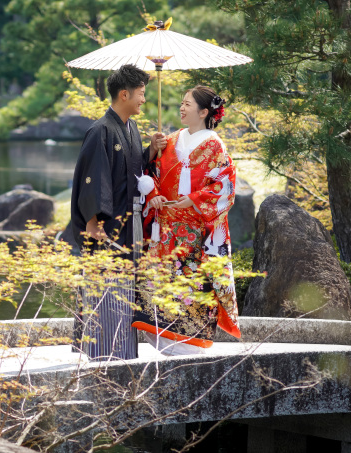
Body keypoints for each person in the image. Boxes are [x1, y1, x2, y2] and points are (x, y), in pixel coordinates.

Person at [132, 85, 241, 356]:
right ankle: (163, 341)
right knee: (158, 284)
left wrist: (193, 199)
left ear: (204, 112)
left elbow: (224, 185)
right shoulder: (169, 140)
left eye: (188, 105)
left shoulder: (215, 145)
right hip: (165, 230)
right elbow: (150, 173)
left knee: (190, 286)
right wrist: (154, 193)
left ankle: (187, 346)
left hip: (194, 231)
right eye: (181, 103)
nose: (182, 108)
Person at [70, 64, 166, 360]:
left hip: (130, 224)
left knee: (127, 289)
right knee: (108, 288)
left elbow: (132, 170)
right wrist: (91, 220)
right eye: (140, 94)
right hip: (108, 227)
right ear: (124, 94)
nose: (143, 100)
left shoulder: (130, 128)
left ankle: (123, 355)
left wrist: (151, 150)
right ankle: (103, 355)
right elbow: (92, 177)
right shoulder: (100, 130)